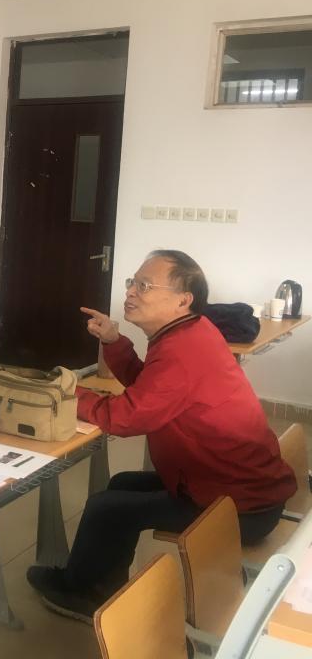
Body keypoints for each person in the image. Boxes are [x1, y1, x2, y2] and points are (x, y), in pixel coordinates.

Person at [27, 250, 296, 623]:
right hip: (229, 485)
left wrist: (66, 393)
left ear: (183, 300)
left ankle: (83, 596)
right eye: (132, 282)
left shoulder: (183, 350)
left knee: (107, 508)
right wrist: (114, 340)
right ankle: (103, 585)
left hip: (240, 508)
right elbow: (151, 389)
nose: (131, 292)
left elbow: (126, 417)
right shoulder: (188, 333)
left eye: (144, 285)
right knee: (121, 484)